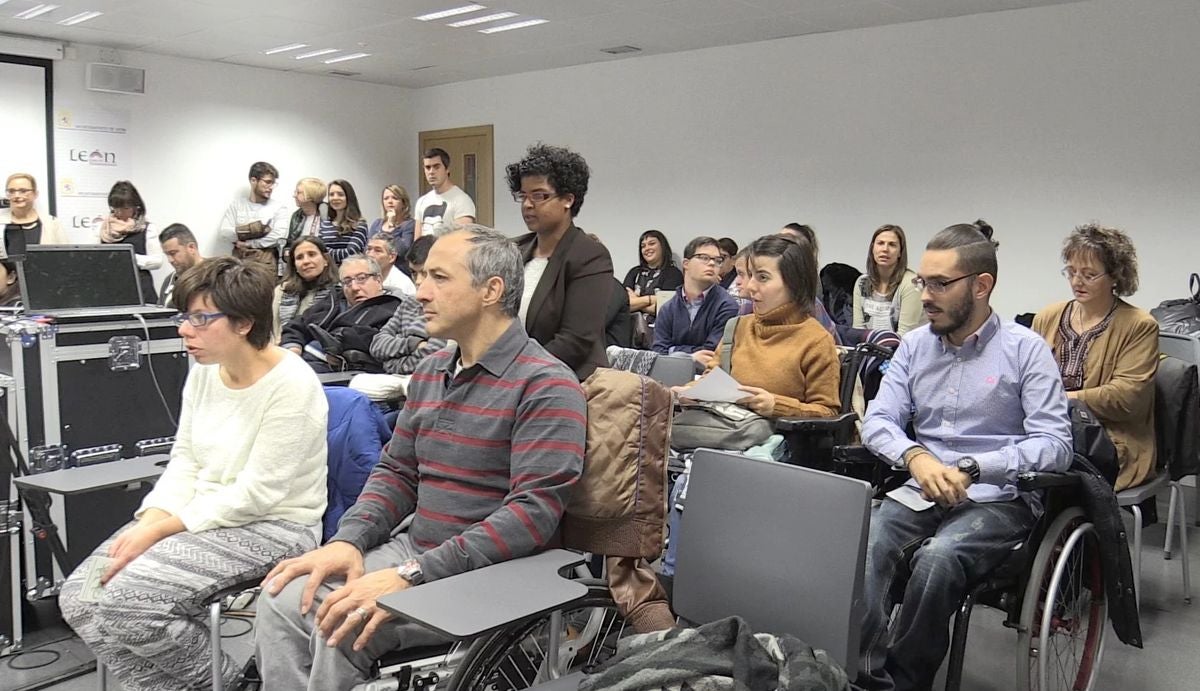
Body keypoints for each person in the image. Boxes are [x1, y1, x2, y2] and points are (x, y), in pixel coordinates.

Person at [255, 226, 586, 690]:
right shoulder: (433, 370)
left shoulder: (547, 385)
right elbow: (397, 472)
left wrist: (412, 575)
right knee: (283, 598)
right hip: (419, 551)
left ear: (491, 291)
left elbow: (531, 515)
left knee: (341, 625)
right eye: (422, 276)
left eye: (439, 278)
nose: (422, 292)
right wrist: (349, 541)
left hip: (494, 574)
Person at [57, 257, 328, 691]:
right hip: (199, 517)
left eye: (201, 319)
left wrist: (163, 530)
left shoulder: (292, 383)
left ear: (243, 323)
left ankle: (237, 685)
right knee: (80, 598)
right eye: (185, 317)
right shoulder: (205, 372)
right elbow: (185, 458)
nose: (186, 329)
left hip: (275, 524)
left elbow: (259, 492)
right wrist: (151, 518)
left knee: (130, 606)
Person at [856, 221, 1072, 691]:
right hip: (923, 485)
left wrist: (978, 467)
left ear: (981, 286)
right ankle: (864, 677)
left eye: (939, 283)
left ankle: (905, 681)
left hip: (999, 498)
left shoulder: (1026, 351)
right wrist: (916, 458)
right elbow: (877, 421)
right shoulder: (914, 345)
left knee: (939, 559)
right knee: (866, 542)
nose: (926, 295)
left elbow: (1055, 444)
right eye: (922, 282)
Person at [1032, 223, 1158, 491]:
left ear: (1115, 276)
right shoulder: (1048, 316)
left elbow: (1127, 398)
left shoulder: (1138, 325)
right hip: (1052, 428)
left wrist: (1061, 400)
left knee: (1043, 475)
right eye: (1072, 271)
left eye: (1089, 275)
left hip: (1108, 439)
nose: (1077, 281)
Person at [698, 233, 839, 418]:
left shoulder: (816, 341)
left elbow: (828, 412)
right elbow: (710, 379)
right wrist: (684, 393)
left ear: (794, 283)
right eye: (750, 275)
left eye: (763, 277)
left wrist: (777, 406)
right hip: (725, 434)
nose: (750, 286)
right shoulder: (737, 327)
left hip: (777, 442)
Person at [509, 143, 614, 380]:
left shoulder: (589, 255)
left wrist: (515, 374)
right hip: (513, 379)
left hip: (566, 381)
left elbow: (574, 341)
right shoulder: (514, 249)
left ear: (567, 199)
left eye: (539, 195)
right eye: (523, 196)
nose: (527, 204)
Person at [280, 255, 404, 373]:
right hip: (301, 361)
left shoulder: (394, 308)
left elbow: (380, 342)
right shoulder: (334, 301)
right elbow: (296, 325)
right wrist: (293, 348)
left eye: (361, 278)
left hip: (343, 371)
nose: (354, 287)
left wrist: (340, 339)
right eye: (347, 281)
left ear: (378, 280)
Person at [652, 236, 738, 362]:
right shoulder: (668, 308)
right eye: (704, 258)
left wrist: (672, 351)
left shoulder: (727, 306)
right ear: (686, 264)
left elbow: (711, 353)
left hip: (708, 377)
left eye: (718, 260)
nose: (712, 263)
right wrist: (690, 357)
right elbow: (658, 351)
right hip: (670, 375)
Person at [218, 161, 291, 271]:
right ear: (253, 180)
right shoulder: (237, 205)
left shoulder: (279, 208)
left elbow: (278, 237)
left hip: (265, 263)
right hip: (238, 262)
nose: (271, 187)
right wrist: (258, 230)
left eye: (273, 183)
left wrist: (249, 243)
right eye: (267, 182)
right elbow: (225, 232)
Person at [853, 224, 923, 335]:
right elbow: (858, 330)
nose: (885, 249)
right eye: (880, 243)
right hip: (868, 348)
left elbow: (905, 336)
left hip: (902, 350)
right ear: (872, 248)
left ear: (900, 252)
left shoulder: (912, 284)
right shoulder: (862, 282)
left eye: (892, 245)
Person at [98, 180, 161, 303]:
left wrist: (129, 258)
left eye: (125, 208)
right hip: (110, 291)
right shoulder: (102, 228)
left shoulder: (147, 228)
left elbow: (157, 261)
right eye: (116, 208)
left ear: (136, 206)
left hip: (141, 292)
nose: (120, 213)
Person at [272, 236, 338, 343]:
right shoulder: (281, 290)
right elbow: (272, 330)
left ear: (325, 259)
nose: (306, 261)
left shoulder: (337, 292)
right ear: (294, 266)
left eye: (312, 254)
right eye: (299, 257)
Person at [413, 148, 476, 238]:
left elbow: (462, 239)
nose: (431, 172)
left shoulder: (462, 200)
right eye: (428, 167)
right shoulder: (422, 201)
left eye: (436, 167)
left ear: (447, 169)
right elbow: (417, 241)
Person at [623, 230, 683, 317]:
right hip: (630, 327)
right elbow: (624, 305)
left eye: (652, 243)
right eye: (643, 246)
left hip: (658, 328)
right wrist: (651, 299)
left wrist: (636, 302)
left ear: (662, 246)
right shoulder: (634, 272)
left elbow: (664, 308)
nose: (647, 248)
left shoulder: (673, 274)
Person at [3, 172, 68, 251]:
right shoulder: (1, 222)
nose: (16, 195)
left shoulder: (52, 224)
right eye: (11, 191)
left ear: (35, 194)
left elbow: (65, 255)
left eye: (23, 191)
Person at [320, 179, 369, 265]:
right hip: (327, 274)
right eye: (331, 194)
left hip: (349, 274)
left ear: (349, 197)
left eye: (340, 194)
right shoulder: (325, 224)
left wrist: (325, 253)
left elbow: (351, 252)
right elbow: (318, 250)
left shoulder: (360, 224)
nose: (335, 198)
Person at [158, 223, 203, 309]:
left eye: (173, 253)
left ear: (191, 247)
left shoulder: (215, 277)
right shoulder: (170, 280)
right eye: (167, 254)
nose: (170, 260)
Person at [368, 185, 416, 264]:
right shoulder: (377, 224)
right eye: (386, 198)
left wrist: (392, 227)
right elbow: (367, 248)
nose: (390, 201)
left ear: (403, 203)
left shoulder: (409, 224)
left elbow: (402, 251)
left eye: (395, 198)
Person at [287, 177, 326, 250]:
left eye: (298, 192)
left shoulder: (328, 213)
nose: (294, 195)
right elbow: (290, 243)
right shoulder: (296, 215)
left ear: (310, 196)